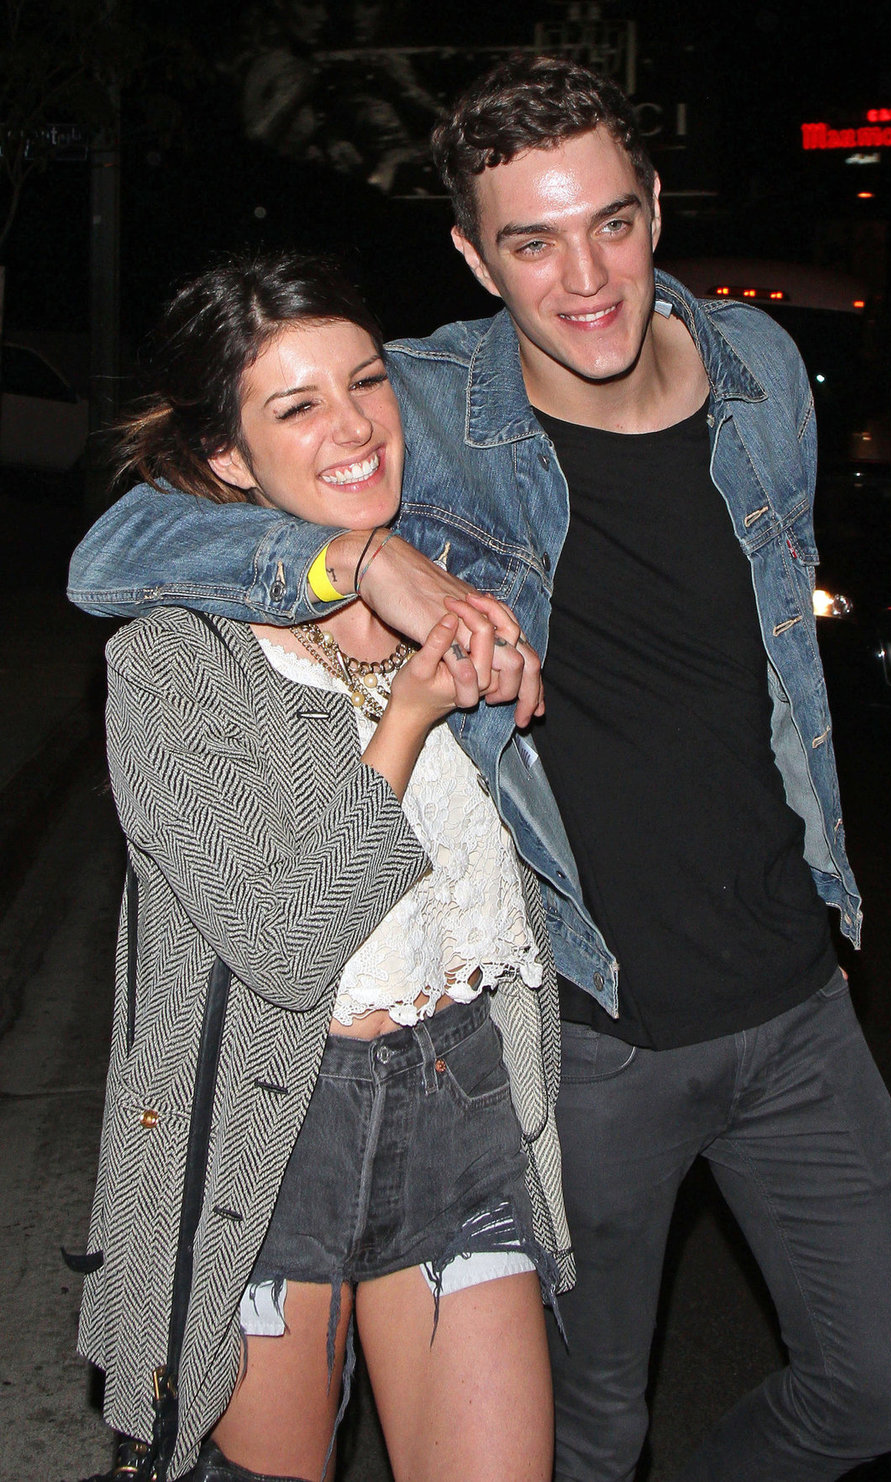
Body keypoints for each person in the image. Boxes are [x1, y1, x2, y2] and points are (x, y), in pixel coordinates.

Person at [69, 56, 891, 1482]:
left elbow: (778, 669)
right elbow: (124, 547)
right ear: (476, 260)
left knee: (881, 1400)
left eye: (611, 223)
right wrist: (364, 558)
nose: (585, 278)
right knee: (588, 1430)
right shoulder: (420, 401)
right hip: (587, 1024)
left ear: (655, 208)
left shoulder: (761, 372)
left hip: (794, 996)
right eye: (532, 242)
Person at [73, 249, 571, 1482]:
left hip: (463, 1102)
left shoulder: (460, 590)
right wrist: (405, 720)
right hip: (271, 1131)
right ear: (227, 455)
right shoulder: (172, 665)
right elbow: (288, 944)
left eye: (365, 382)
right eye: (296, 406)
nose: (353, 428)